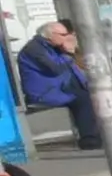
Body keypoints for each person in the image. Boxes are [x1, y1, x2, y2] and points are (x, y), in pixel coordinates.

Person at [12, 22, 98, 154]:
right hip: (44, 92)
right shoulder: (34, 49)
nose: (66, 37)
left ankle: (98, 135)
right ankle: (89, 140)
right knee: (82, 99)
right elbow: (55, 69)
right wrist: (68, 54)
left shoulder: (54, 47)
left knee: (93, 93)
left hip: (60, 88)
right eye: (63, 35)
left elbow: (77, 68)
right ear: (50, 35)